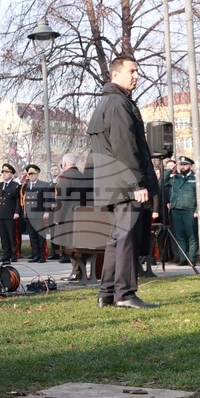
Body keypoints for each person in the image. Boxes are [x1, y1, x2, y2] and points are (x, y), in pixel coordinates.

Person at [87, 55, 158, 309]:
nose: (136, 75)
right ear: (115, 75)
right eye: (132, 71)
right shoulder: (118, 104)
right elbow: (125, 147)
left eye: (137, 71)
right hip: (123, 184)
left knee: (116, 238)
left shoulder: (107, 102)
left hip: (111, 183)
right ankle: (125, 294)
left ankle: (107, 293)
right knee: (125, 238)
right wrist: (137, 185)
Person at [52, 153, 92, 279]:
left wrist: (57, 218)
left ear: (64, 164)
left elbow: (62, 199)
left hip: (68, 218)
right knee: (80, 245)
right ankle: (81, 271)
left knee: (70, 245)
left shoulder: (65, 177)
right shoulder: (83, 176)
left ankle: (77, 273)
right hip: (83, 216)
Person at [167, 156, 198, 265]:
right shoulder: (176, 178)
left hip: (189, 210)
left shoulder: (195, 178)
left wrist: (197, 210)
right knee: (180, 236)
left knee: (192, 236)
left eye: (185, 165)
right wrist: (171, 169)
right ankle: (183, 258)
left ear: (191, 166)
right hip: (176, 210)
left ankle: (192, 258)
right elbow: (162, 181)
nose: (183, 167)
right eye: (181, 165)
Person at [20, 164, 52, 263]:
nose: (31, 176)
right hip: (29, 214)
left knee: (41, 236)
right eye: (29, 174)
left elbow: (47, 199)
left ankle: (43, 255)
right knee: (32, 236)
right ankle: (36, 254)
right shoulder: (25, 186)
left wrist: (47, 212)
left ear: (37, 174)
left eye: (33, 174)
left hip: (39, 214)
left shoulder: (44, 184)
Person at [0, 163, 21, 263]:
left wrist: (17, 212)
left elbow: (18, 200)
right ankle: (6, 253)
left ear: (11, 174)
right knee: (3, 236)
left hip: (11, 214)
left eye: (6, 172)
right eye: (3, 172)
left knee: (12, 235)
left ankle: (14, 254)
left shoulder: (15, 185)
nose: (4, 174)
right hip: (1, 214)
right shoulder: (0, 185)